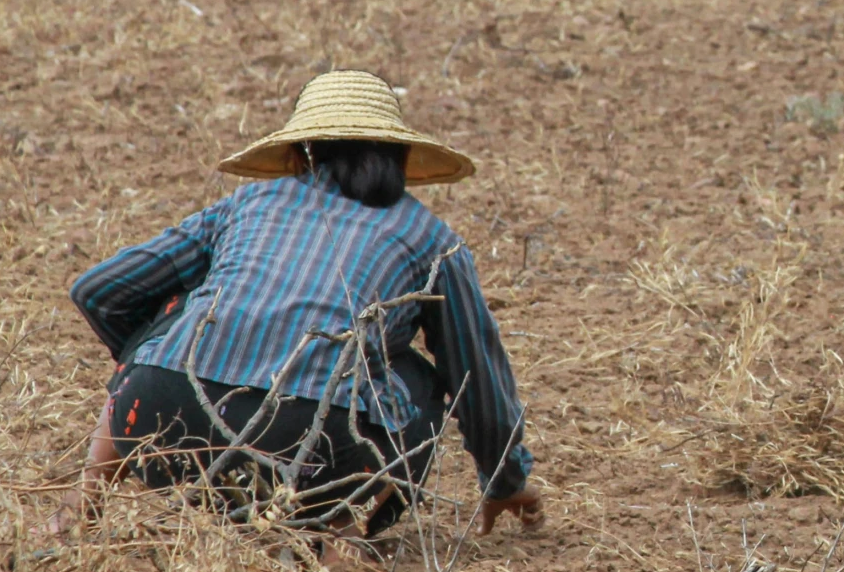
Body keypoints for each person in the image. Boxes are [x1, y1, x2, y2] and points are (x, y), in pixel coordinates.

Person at [59, 70, 543, 543]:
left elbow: (98, 291)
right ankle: (336, 531)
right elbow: (474, 376)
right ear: (400, 156)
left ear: (299, 150)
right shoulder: (432, 239)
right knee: (414, 377)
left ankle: (80, 505)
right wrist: (505, 481)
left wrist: (154, 364)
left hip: (160, 424)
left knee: (172, 320)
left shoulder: (246, 203)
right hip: (317, 453)